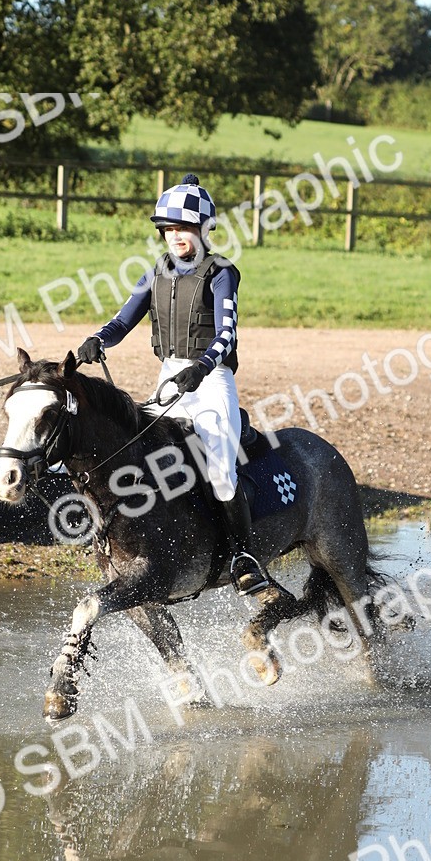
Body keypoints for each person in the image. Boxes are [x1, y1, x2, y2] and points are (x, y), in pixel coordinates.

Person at [77, 173, 269, 595]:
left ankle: (244, 557)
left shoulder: (222, 273)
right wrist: (97, 340)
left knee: (220, 473)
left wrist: (201, 367)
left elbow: (226, 334)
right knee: (139, 448)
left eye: (184, 227)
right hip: (170, 377)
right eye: (168, 229)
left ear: (204, 229)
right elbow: (122, 321)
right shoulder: (155, 273)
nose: (175, 236)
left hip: (211, 379)